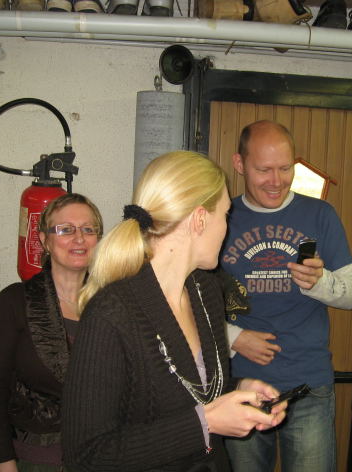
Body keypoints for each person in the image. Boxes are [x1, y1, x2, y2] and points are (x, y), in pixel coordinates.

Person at [62, 151, 287, 472]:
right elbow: (86, 455)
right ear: (199, 219)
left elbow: (194, 390)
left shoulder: (206, 291)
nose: (227, 228)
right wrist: (206, 423)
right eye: (225, 215)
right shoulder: (111, 313)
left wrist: (240, 391)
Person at [221, 120, 352, 472]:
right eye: (264, 169)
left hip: (308, 384)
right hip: (240, 386)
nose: (276, 181)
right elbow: (189, 304)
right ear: (239, 164)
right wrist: (234, 338)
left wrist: (319, 282)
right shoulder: (221, 218)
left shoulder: (320, 214)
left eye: (285, 168)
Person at [0, 193, 103, 472]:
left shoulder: (110, 303)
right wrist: (3, 463)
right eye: (66, 229)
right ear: (45, 240)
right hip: (37, 460)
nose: (79, 238)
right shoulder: (15, 302)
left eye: (88, 229)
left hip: (101, 455)